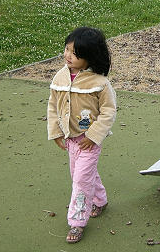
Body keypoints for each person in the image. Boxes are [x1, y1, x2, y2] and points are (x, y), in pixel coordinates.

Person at [47, 27, 117, 244]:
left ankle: (77, 222)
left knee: (80, 180)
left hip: (89, 141)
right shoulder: (60, 77)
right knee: (81, 174)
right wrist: (56, 131)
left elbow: (109, 111)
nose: (68, 55)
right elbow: (52, 105)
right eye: (67, 49)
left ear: (89, 57)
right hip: (70, 139)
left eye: (75, 53)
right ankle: (101, 200)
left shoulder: (99, 83)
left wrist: (94, 135)